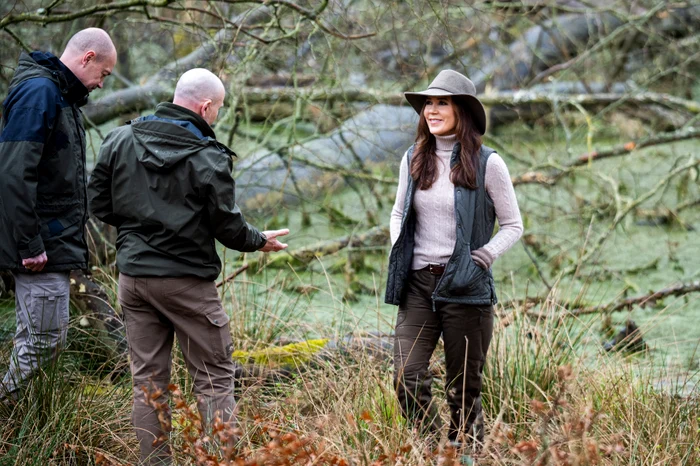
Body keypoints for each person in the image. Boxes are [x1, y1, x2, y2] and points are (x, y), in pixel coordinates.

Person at [87, 68, 289, 465]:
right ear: (205, 106)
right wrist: (258, 240)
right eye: (218, 110)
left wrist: (137, 232)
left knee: (147, 381)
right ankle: (217, 461)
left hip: (133, 280)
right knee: (214, 379)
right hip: (187, 285)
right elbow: (228, 226)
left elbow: (98, 203)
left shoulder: (120, 138)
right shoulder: (208, 157)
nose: (215, 118)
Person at [385, 70, 523, 450]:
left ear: (461, 110)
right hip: (418, 285)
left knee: (463, 391)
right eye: (428, 103)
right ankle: (433, 450)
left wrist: (486, 254)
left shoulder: (488, 163)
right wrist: (401, 247)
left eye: (441, 102)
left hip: (465, 288)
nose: (431, 110)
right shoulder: (413, 157)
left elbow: (513, 225)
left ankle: (465, 457)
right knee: (406, 375)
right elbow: (398, 213)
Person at [0, 28, 117, 399]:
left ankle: (24, 429)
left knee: (38, 339)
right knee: (43, 342)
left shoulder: (58, 96)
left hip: (50, 245)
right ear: (87, 58)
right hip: (40, 251)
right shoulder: (40, 94)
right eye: (104, 73)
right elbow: (13, 173)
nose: (101, 83)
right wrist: (30, 244)